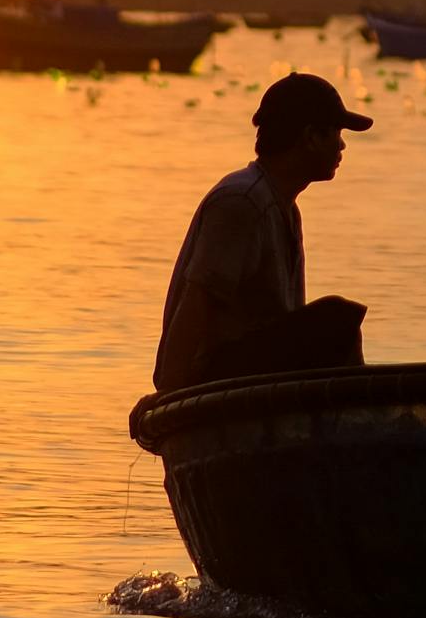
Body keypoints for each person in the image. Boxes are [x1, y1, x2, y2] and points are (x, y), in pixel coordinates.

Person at [154, 72, 375, 393]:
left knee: (334, 330)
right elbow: (197, 301)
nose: (342, 144)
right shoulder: (242, 202)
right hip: (208, 379)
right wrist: (169, 397)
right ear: (311, 137)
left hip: (251, 371)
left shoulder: (284, 207)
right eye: (336, 133)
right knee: (337, 320)